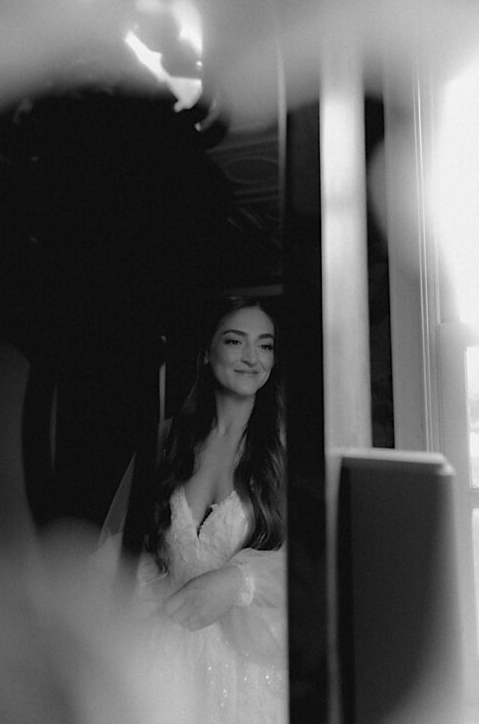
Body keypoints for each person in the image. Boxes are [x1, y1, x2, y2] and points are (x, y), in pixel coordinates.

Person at [98, 296, 288, 724]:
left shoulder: (285, 450)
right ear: (207, 353)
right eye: (236, 341)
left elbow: (320, 559)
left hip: (251, 667)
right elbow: (129, 549)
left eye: (266, 345)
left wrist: (238, 581)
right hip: (166, 653)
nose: (252, 358)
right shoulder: (168, 440)